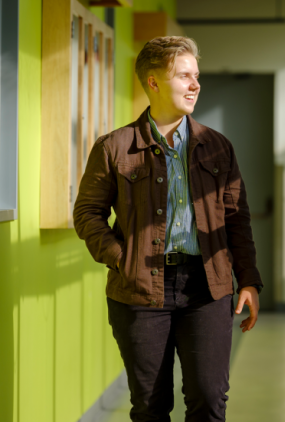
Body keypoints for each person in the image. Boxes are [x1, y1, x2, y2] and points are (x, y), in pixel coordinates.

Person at [73, 36, 263, 422]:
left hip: (207, 287)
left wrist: (248, 281)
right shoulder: (114, 147)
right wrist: (122, 259)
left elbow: (236, 219)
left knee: (209, 401)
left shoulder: (217, 147)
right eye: (184, 76)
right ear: (154, 82)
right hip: (139, 290)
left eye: (196, 76)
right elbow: (87, 214)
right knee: (150, 406)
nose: (195, 85)